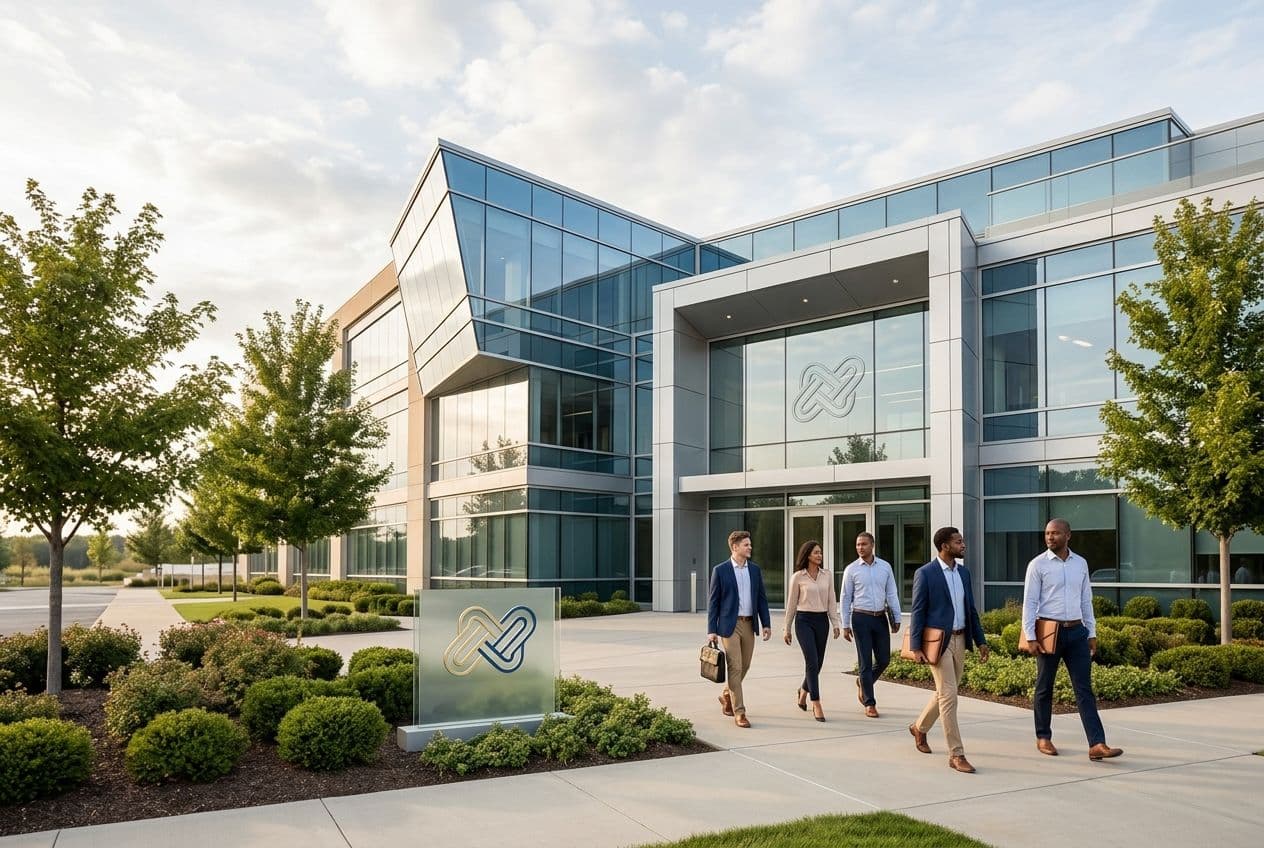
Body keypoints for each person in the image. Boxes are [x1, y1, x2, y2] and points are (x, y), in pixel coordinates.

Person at [1022, 518, 1123, 762]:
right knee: (1044, 687)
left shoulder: (1081, 564)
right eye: (1047, 533)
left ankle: (1097, 744)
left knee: (1084, 689)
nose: (1050, 537)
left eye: (1055, 533)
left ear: (1068, 535)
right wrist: (1030, 636)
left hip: (1077, 631)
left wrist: (1091, 632)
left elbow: (1086, 599)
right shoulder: (1038, 565)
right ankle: (1043, 737)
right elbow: (1030, 603)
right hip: (1049, 632)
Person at [908, 526, 989, 774]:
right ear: (944, 546)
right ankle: (956, 754)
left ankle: (919, 728)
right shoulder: (926, 573)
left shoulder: (963, 573)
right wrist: (915, 646)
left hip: (961, 639)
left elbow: (971, 609)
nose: (963, 545)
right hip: (938, 642)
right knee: (950, 696)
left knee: (945, 693)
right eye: (958, 541)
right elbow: (918, 611)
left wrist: (981, 641)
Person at [707, 529, 772, 728]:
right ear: (735, 547)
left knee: (745, 665)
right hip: (729, 625)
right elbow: (713, 602)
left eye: (750, 544)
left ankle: (727, 694)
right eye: (746, 544)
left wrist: (766, 623)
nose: (750, 547)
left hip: (749, 623)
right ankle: (740, 712)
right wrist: (711, 629)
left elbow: (761, 598)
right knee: (735, 666)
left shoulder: (754, 570)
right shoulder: (720, 570)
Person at [840, 531, 900, 718]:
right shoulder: (851, 569)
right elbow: (845, 597)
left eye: (864, 544)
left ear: (872, 545)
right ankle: (870, 703)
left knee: (884, 660)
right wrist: (845, 623)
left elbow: (891, 593)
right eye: (858, 544)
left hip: (880, 618)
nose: (860, 547)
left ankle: (863, 683)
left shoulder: (885, 567)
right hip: (860, 618)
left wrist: (896, 617)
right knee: (865, 661)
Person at [783, 540, 841, 721]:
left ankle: (803, 691)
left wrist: (835, 623)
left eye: (820, 552)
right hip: (804, 621)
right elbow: (791, 604)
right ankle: (816, 702)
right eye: (816, 552)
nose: (819, 555)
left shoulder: (827, 575)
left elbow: (832, 600)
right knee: (811, 661)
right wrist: (787, 628)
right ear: (808, 555)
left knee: (819, 663)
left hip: (821, 620)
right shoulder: (798, 577)